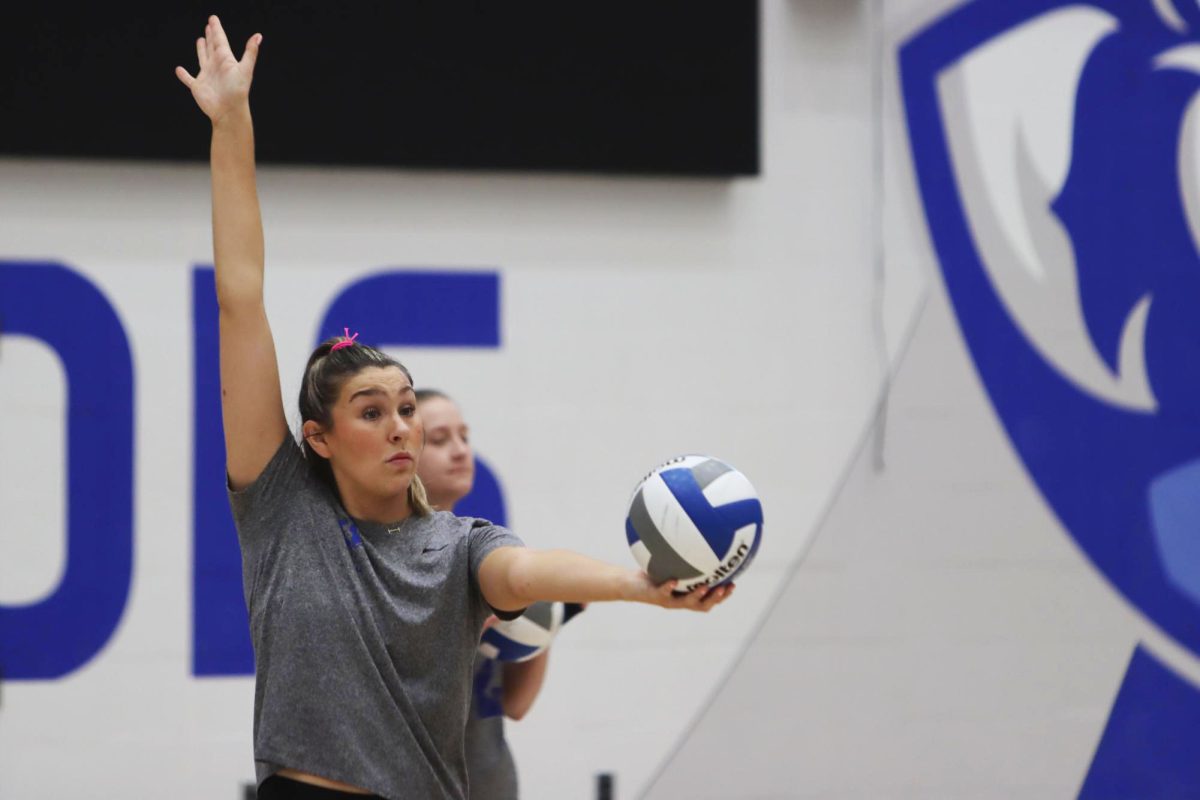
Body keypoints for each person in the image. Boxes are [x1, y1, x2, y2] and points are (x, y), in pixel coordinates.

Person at [175, 17, 733, 800]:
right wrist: (233, 125)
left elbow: (528, 570)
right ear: (318, 438)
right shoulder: (281, 510)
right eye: (371, 412)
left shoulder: (461, 545)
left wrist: (637, 585)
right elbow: (239, 299)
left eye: (406, 407)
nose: (400, 424)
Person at [416, 390, 583, 799]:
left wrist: (546, 618)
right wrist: (464, 627)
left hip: (491, 786)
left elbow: (514, 703)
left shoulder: (482, 555)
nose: (459, 451)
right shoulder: (392, 565)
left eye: (464, 437)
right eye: (439, 440)